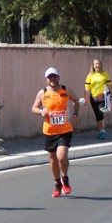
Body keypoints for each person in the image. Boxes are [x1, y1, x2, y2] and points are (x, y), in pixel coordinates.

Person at [31, 67, 80, 198]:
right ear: (46, 79)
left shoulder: (66, 90)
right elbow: (34, 108)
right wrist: (41, 111)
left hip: (65, 130)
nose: (52, 79)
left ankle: (65, 178)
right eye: (50, 77)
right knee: (52, 159)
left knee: (61, 156)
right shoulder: (42, 93)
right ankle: (57, 183)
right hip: (49, 131)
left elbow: (76, 101)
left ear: (58, 77)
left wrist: (75, 114)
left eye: (55, 76)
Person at [84, 58, 112, 140]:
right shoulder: (90, 75)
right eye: (95, 64)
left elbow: (110, 85)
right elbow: (87, 88)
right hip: (93, 98)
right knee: (97, 115)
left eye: (98, 64)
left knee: (100, 112)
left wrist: (111, 95)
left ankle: (103, 131)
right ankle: (100, 131)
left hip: (102, 97)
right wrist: (85, 98)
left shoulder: (105, 74)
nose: (97, 65)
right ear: (93, 65)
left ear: (101, 65)